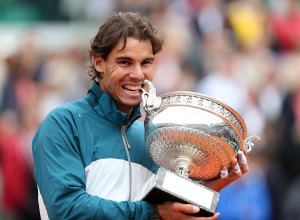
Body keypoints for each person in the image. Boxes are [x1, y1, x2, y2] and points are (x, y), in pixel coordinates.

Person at [32, 12, 249, 220]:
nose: (137, 74)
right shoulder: (63, 124)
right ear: (99, 63)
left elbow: (162, 210)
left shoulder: (153, 138)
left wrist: (210, 186)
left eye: (146, 63)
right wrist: (154, 213)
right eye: (125, 62)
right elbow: (67, 209)